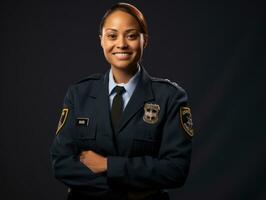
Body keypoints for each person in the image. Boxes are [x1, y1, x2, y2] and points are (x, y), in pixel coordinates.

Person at [50, 2, 194, 200]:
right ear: (101, 41)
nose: (121, 44)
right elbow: (61, 164)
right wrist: (126, 191)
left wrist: (109, 165)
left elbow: (175, 170)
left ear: (145, 41)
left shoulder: (170, 97)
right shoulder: (78, 94)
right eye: (112, 35)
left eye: (132, 35)